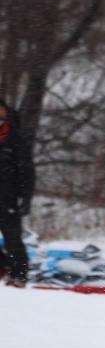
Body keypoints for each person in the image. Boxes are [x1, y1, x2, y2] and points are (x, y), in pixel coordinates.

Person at [0, 98, 35, 287]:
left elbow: (27, 170)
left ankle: (19, 274)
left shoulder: (15, 137)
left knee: (12, 238)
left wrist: (26, 197)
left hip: (8, 196)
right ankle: (3, 267)